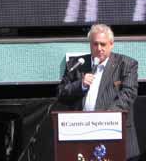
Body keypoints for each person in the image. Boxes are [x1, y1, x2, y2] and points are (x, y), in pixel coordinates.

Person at [58, 23, 139, 160]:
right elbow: (61, 94)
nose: (99, 48)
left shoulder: (126, 64)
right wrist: (80, 85)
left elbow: (128, 94)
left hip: (113, 132)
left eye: (103, 44)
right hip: (81, 134)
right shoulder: (76, 64)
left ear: (111, 44)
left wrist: (104, 119)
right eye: (95, 44)